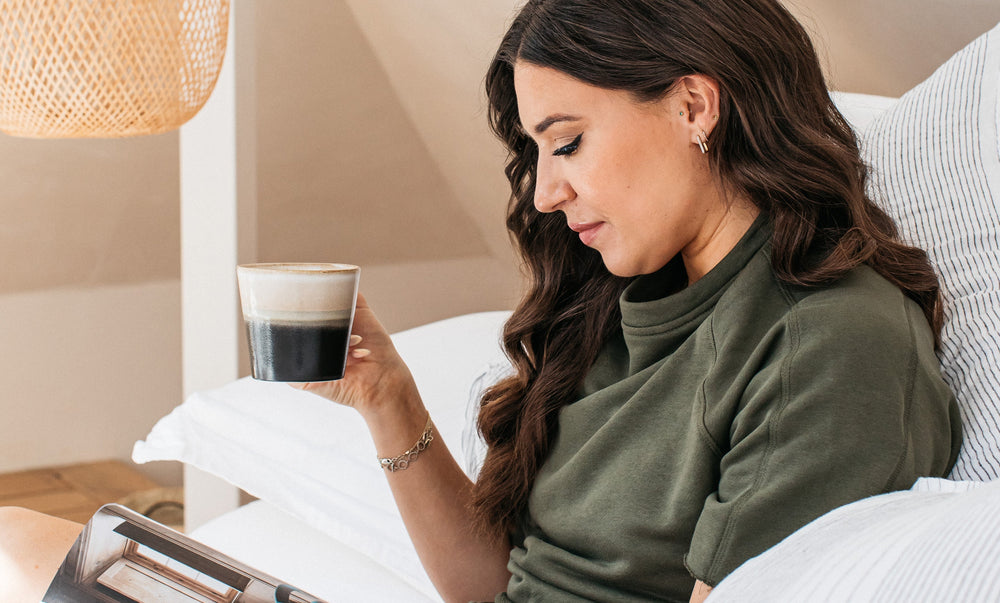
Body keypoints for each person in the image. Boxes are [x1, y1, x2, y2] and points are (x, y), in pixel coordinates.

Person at [0, 0, 962, 601]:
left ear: (694, 106)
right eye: (535, 153)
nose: (545, 192)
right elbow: (499, 586)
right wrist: (390, 399)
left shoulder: (827, 345)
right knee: (22, 543)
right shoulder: (634, 305)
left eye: (569, 140)